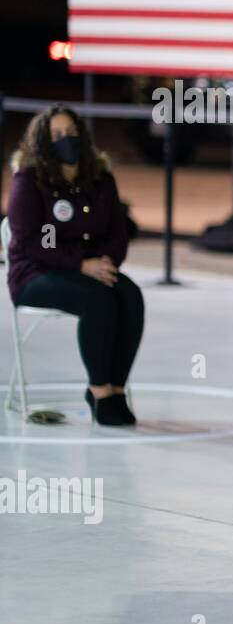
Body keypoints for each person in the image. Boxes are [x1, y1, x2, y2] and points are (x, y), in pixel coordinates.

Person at [6, 105, 144, 425]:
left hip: (90, 268)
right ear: (43, 141)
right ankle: (99, 391)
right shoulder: (30, 180)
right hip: (35, 273)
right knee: (96, 299)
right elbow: (32, 241)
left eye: (70, 133)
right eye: (56, 135)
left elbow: (117, 232)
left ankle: (116, 388)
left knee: (129, 295)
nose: (65, 140)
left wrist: (106, 262)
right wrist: (80, 264)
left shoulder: (99, 178)